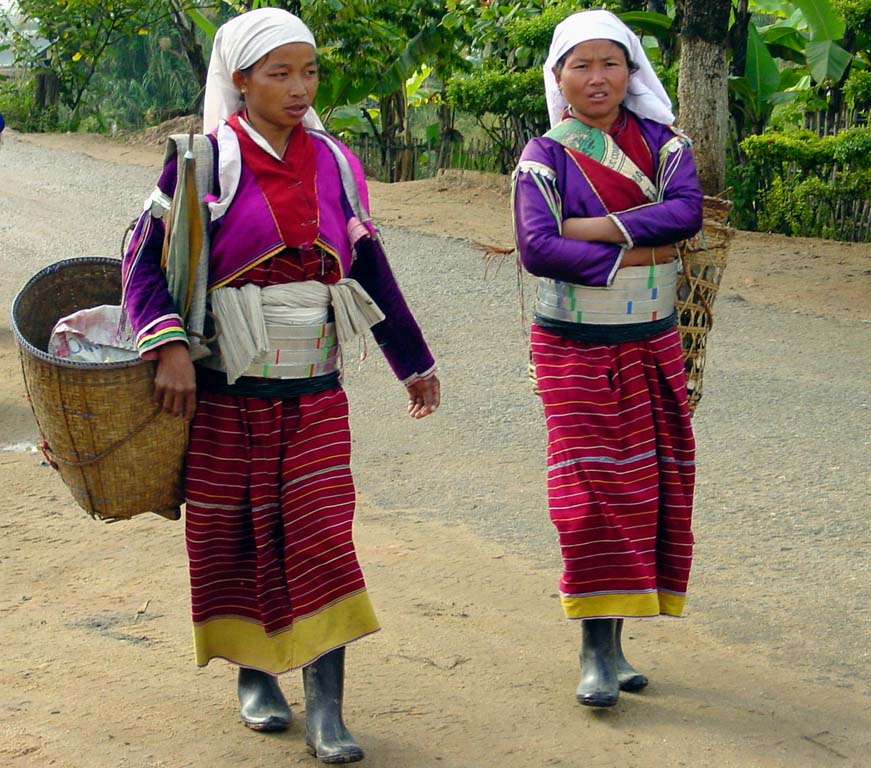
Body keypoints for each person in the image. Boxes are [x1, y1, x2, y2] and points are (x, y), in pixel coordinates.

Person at [121, 8, 439, 764]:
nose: (300, 88)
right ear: (240, 81)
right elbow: (140, 262)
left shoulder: (335, 163)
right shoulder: (203, 163)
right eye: (280, 74)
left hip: (316, 390)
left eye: (310, 72)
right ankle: (256, 678)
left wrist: (412, 360)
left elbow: (368, 269)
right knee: (234, 534)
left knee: (323, 534)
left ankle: (327, 709)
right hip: (228, 392)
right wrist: (165, 347)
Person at [512, 9, 703, 708]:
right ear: (559, 77)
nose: (598, 78)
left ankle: (617, 646)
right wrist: (640, 250)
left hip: (651, 340)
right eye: (581, 65)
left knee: (645, 485)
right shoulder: (545, 153)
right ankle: (593, 650)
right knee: (588, 494)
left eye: (611, 63)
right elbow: (537, 248)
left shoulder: (665, 144)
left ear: (632, 72)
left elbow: (686, 215)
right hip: (572, 346)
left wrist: (589, 229)